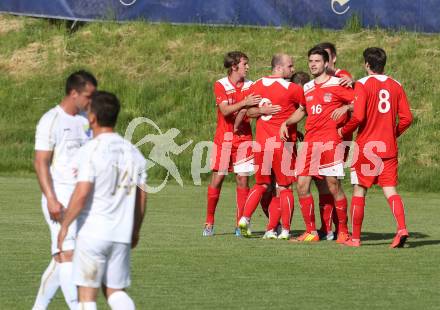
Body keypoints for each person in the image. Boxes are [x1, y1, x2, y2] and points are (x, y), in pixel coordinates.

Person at [58, 91, 148, 309]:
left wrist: (65, 225)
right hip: (121, 234)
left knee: (86, 296)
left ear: (92, 117)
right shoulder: (133, 151)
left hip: (93, 233)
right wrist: (135, 229)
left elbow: (81, 193)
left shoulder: (90, 150)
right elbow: (142, 196)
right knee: (115, 292)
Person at [32, 70, 97, 310]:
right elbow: (41, 162)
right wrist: (51, 199)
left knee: (62, 260)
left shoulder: (85, 120)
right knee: (68, 255)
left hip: (81, 200)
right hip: (58, 199)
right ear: (73, 93)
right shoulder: (51, 120)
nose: (91, 100)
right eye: (88, 95)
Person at [339, 47, 413, 247]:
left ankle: (355, 239)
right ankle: (402, 228)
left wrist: (343, 130)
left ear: (367, 65)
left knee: (359, 190)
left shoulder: (362, 84)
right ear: (384, 64)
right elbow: (407, 118)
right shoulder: (396, 85)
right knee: (390, 190)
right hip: (388, 147)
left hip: (366, 148)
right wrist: (392, 133)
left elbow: (359, 116)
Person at [280, 46, 354, 243]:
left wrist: (346, 106)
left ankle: (344, 231)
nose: (313, 64)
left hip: (330, 141)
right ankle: (311, 231)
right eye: (310, 61)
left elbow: (359, 102)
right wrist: (286, 122)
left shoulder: (339, 84)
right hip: (310, 143)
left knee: (333, 185)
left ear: (327, 63)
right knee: (302, 185)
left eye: (317, 61)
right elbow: (303, 110)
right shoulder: (307, 87)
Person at [238, 53, 305, 240]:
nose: (293, 69)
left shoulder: (257, 84)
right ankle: (284, 230)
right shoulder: (291, 88)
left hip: (261, 144)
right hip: (282, 146)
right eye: (290, 66)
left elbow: (249, 111)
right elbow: (306, 108)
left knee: (261, 184)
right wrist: (289, 122)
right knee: (284, 188)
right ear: (278, 67)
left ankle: (247, 219)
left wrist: (261, 110)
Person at [203, 51, 262, 237]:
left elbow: (252, 111)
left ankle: (240, 224)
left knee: (243, 179)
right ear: (234, 66)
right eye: (245, 64)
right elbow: (225, 110)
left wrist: (250, 109)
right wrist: (244, 103)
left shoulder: (251, 85)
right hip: (224, 138)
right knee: (218, 178)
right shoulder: (220, 84)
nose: (248, 67)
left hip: (244, 139)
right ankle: (209, 222)